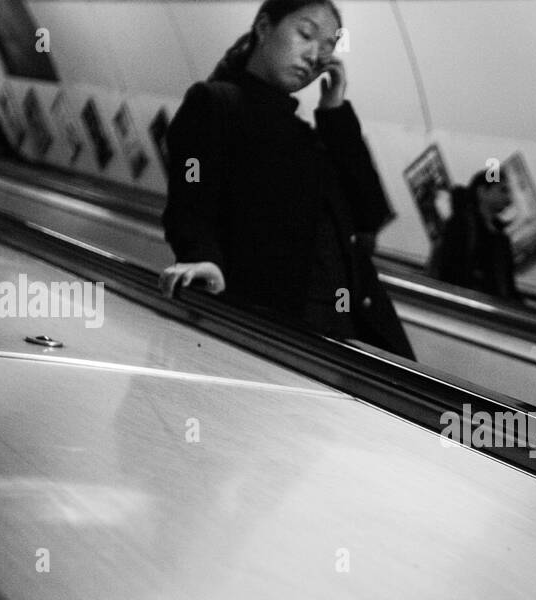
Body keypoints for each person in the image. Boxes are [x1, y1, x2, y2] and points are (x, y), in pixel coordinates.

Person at [159, 0, 412, 359]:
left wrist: (335, 112)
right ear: (263, 28)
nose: (314, 55)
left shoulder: (308, 134)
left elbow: (369, 213)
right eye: (305, 34)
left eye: (328, 47)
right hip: (281, 331)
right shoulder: (216, 105)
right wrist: (202, 258)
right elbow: (190, 203)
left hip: (347, 331)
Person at [431, 170, 521, 303]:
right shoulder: (462, 226)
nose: (508, 199)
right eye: (502, 190)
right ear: (482, 192)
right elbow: (450, 271)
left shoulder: (500, 237)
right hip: (468, 306)